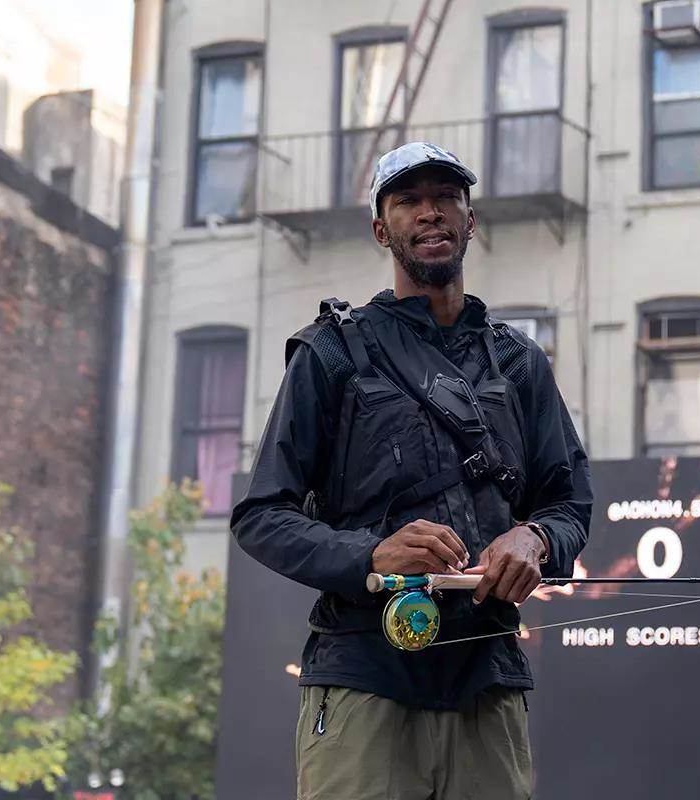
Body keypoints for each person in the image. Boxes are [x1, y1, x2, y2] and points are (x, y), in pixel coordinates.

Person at [230, 141, 592, 800]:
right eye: (408, 201)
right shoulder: (331, 353)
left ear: (470, 220)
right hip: (363, 673)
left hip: (488, 676)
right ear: (381, 228)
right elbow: (262, 516)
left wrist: (532, 539)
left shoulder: (520, 365)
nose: (430, 214)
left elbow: (570, 508)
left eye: (445, 198)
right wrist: (373, 553)